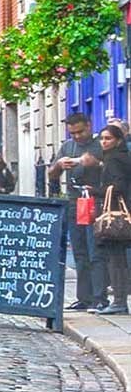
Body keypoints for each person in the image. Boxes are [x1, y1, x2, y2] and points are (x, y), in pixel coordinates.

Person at [57, 113, 106, 310]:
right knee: (79, 252)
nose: (77, 136)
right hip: (74, 203)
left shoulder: (100, 144)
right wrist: (59, 165)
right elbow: (51, 174)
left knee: (96, 252)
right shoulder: (67, 147)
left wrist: (96, 163)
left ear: (89, 125)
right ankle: (84, 298)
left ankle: (100, 297)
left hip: (97, 202)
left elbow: (116, 170)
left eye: (80, 131)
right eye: (73, 133)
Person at [96, 122, 131, 316]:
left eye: (108, 138)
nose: (104, 142)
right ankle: (119, 300)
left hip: (117, 215)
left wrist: (96, 191)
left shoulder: (114, 159)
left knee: (116, 258)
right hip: (122, 212)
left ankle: (119, 301)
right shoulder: (121, 156)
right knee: (118, 259)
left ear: (118, 140)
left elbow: (118, 187)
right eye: (102, 138)